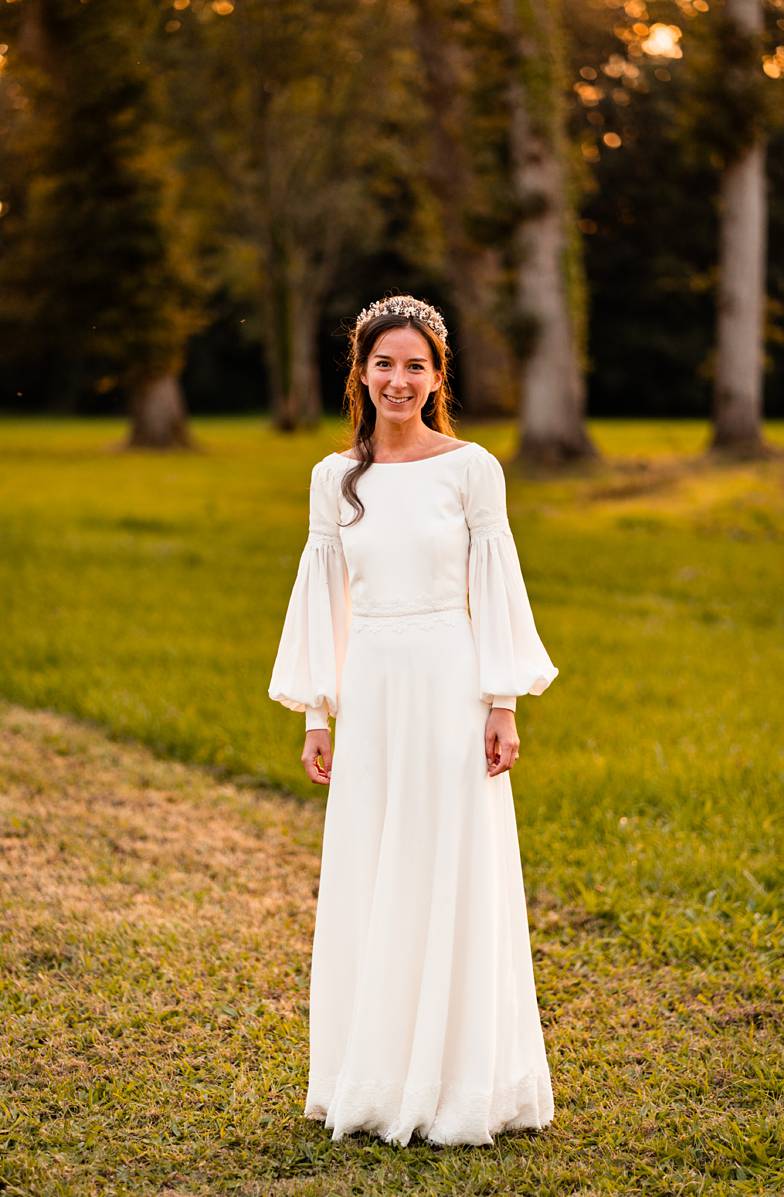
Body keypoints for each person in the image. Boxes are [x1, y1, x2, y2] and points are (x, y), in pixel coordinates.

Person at [268, 293, 559, 1146]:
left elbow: (495, 586)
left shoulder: (472, 468)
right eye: (384, 363)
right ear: (362, 372)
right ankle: (375, 1073)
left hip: (448, 680)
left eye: (416, 365)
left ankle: (458, 1079)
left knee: (448, 863)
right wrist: (319, 713)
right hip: (371, 689)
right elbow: (325, 600)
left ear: (439, 376)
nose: (400, 379)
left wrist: (501, 701)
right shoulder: (334, 478)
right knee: (374, 865)